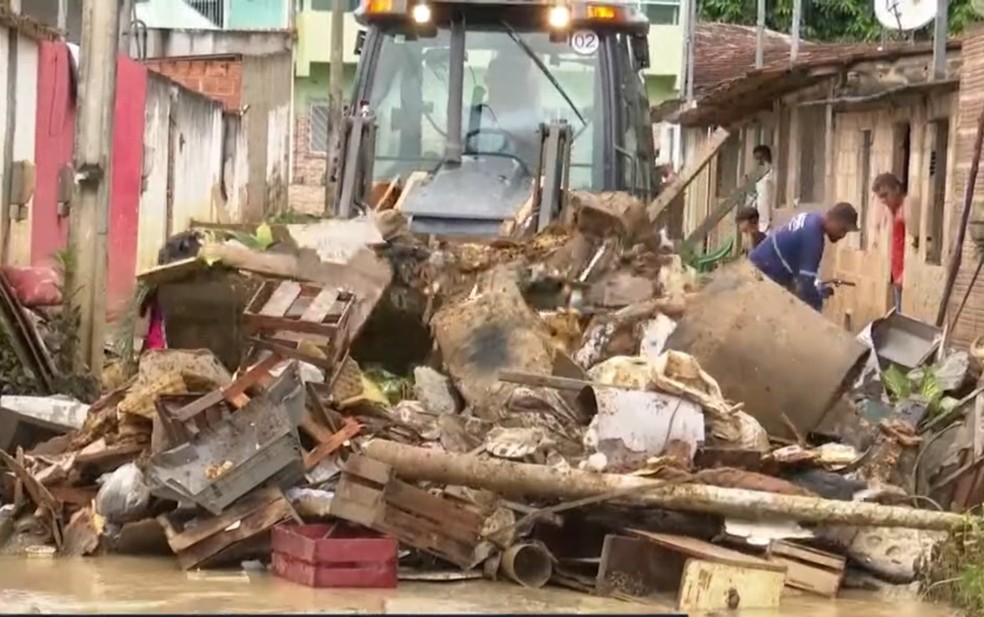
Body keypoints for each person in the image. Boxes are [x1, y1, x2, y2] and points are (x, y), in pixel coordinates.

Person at [748, 202, 860, 311]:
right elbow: (805, 285)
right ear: (833, 220)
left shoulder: (811, 218)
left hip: (757, 266)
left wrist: (815, 291)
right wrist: (818, 303)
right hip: (763, 273)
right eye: (843, 229)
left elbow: (800, 278)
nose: (842, 235)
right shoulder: (814, 236)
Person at [871, 173, 909, 313]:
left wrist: (904, 275)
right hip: (896, 274)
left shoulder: (906, 210)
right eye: (880, 197)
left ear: (897, 190)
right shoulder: (890, 212)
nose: (883, 200)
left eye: (885, 195)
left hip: (904, 277)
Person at [748, 144, 776, 232]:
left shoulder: (770, 178)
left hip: (768, 225)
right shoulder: (757, 181)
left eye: (757, 160)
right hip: (758, 225)